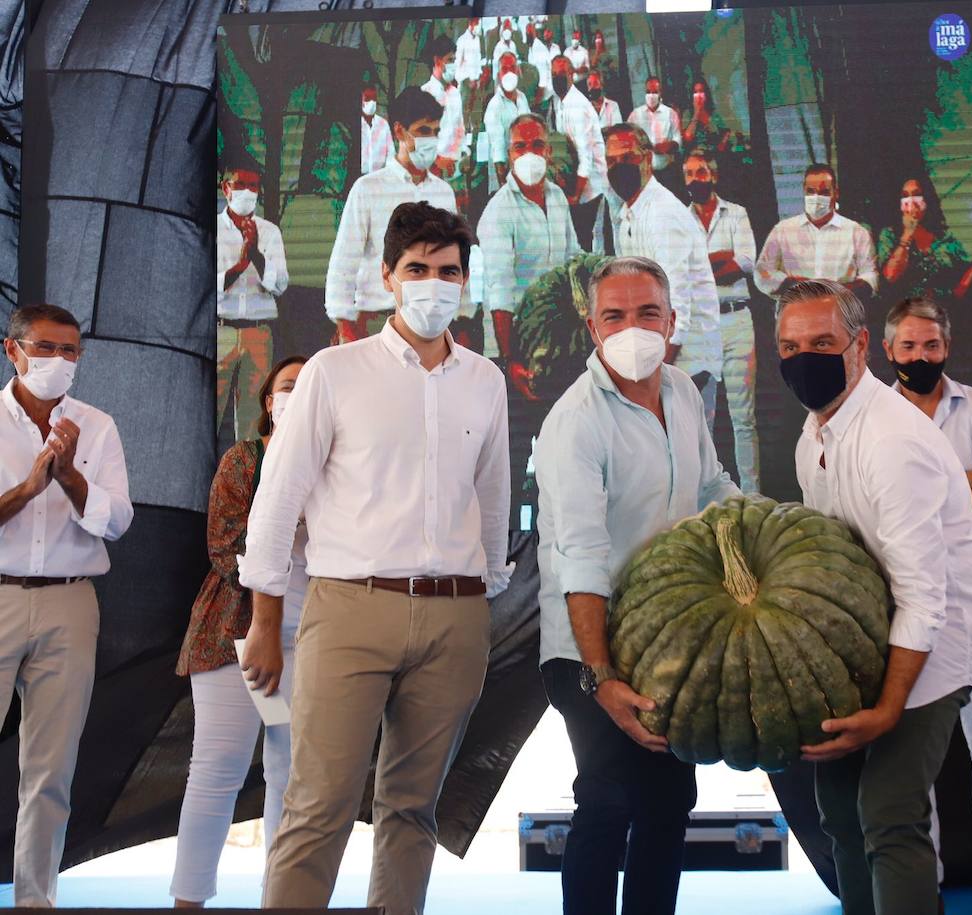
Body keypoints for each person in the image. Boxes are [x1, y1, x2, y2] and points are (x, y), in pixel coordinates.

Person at [239, 202, 510, 914]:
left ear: (464, 282)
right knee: (318, 804)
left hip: (455, 614)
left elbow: (491, 502)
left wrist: (483, 601)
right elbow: (276, 501)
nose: (433, 284)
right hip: (350, 606)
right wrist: (266, 620)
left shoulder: (485, 380)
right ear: (387, 275)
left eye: (448, 271)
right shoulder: (333, 371)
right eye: (417, 269)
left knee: (413, 808)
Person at [776, 280, 972, 915]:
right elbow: (835, 566)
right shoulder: (811, 437)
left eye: (822, 343)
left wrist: (888, 707)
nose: (803, 358)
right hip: (866, 649)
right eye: (790, 346)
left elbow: (924, 597)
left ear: (861, 345)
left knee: (889, 814)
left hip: (931, 653)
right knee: (839, 812)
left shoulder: (892, 442)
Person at [535, 256, 739, 915]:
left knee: (670, 802)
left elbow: (712, 490)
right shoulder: (576, 421)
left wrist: (764, 536)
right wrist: (602, 676)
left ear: (672, 320)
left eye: (647, 312)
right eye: (615, 315)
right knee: (607, 796)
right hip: (584, 646)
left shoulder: (681, 390)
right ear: (593, 328)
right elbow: (583, 554)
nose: (632, 326)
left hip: (664, 644)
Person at [881, 297, 972, 913]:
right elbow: (873, 506)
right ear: (888, 350)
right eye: (909, 347)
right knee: (913, 748)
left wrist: (924, 499)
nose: (921, 357)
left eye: (931, 346)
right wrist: (958, 486)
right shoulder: (874, 412)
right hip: (902, 593)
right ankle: (925, 888)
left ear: (947, 347)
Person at [0, 304, 133, 907]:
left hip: (69, 604)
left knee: (50, 770)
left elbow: (119, 522)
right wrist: (30, 487)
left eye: (71, 351)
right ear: (14, 351)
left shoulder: (96, 426)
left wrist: (72, 477)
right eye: (46, 348)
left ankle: (35, 900)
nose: (59, 362)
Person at [170, 356, 309, 909]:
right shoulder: (244, 460)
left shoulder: (340, 465)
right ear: (269, 403)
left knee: (291, 774)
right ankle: (188, 900)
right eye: (289, 387)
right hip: (236, 634)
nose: (299, 395)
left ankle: (282, 897)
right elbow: (225, 547)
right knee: (216, 772)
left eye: (309, 388)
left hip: (313, 638)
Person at [604, 123, 722, 428]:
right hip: (659, 361)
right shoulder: (629, 213)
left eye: (627, 157)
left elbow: (677, 306)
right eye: (611, 161)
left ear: (647, 159)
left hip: (687, 362)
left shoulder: (662, 214)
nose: (619, 167)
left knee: (690, 463)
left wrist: (651, 377)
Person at [325, 88, 456, 344]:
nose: (431, 139)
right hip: (376, 320)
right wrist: (345, 326)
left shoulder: (444, 193)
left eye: (436, 131)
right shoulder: (369, 189)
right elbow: (343, 263)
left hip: (431, 325)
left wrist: (460, 318)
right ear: (399, 131)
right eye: (423, 131)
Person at [477, 112, 581, 402]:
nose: (529, 154)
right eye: (520, 147)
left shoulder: (558, 197)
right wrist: (510, 359)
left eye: (537, 145)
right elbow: (500, 289)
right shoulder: (498, 211)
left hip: (557, 337)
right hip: (515, 343)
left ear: (548, 152)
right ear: (509, 155)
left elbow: (573, 256)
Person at [683, 147, 760, 492]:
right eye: (689, 174)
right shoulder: (680, 219)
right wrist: (719, 259)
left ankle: (752, 495)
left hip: (737, 319)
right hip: (700, 326)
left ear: (712, 175)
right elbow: (683, 272)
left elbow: (744, 262)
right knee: (704, 418)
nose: (695, 179)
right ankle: (708, 498)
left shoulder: (737, 214)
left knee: (744, 418)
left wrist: (703, 267)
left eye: (701, 172)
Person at [216, 157, 288, 445]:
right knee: (212, 410)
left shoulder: (269, 232)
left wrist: (255, 255)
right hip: (221, 330)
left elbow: (280, 285)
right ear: (226, 188)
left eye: (254, 186)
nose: (248, 192)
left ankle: (247, 484)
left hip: (259, 332)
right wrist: (239, 264)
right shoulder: (213, 230)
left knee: (252, 420)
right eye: (241, 185)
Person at [755, 163, 878, 303]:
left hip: (840, 315)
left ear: (836, 193)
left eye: (824, 192)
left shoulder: (857, 233)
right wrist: (798, 286)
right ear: (803, 191)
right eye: (811, 191)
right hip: (796, 316)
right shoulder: (783, 230)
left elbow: (871, 277)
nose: (816, 197)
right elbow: (761, 272)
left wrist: (837, 292)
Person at [875, 177, 972, 304]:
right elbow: (890, 276)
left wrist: (955, 297)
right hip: (906, 312)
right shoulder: (889, 235)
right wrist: (907, 235)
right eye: (905, 196)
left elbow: (971, 267)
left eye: (916, 194)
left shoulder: (944, 236)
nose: (911, 201)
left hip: (944, 311)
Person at [548, 54, 608, 250]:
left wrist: (574, 196)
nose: (557, 77)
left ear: (571, 75)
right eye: (553, 74)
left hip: (590, 187)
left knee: (587, 242)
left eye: (561, 73)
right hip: (575, 184)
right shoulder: (560, 102)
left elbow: (586, 159)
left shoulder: (577, 106)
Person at [484, 52, 532, 193]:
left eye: (512, 68)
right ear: (498, 74)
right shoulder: (495, 106)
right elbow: (497, 147)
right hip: (505, 176)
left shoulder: (522, 98)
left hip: (524, 170)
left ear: (518, 71)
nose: (509, 72)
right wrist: (504, 185)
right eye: (505, 69)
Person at [418, 36, 466, 177]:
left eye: (454, 60)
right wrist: (438, 161)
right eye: (450, 60)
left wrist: (462, 154)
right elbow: (421, 137)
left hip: (456, 168)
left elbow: (460, 129)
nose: (454, 65)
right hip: (432, 168)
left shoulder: (456, 94)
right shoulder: (425, 93)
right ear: (437, 61)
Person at [627, 76, 683, 193]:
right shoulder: (635, 115)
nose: (651, 95)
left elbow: (678, 139)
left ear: (660, 93)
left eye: (654, 92)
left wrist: (669, 145)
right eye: (648, 92)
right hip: (645, 174)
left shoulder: (670, 114)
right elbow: (627, 139)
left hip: (667, 171)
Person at [681, 80, 732, 155]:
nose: (699, 95)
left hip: (712, 156)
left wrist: (721, 146)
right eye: (695, 92)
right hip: (694, 157)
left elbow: (725, 132)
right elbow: (687, 138)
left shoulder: (713, 113)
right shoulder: (687, 114)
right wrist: (696, 113)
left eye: (701, 91)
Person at [359, 87, 394, 175]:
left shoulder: (383, 124)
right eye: (367, 99)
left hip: (379, 176)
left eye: (373, 99)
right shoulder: (356, 125)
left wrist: (387, 173)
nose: (371, 103)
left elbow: (391, 151)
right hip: (359, 176)